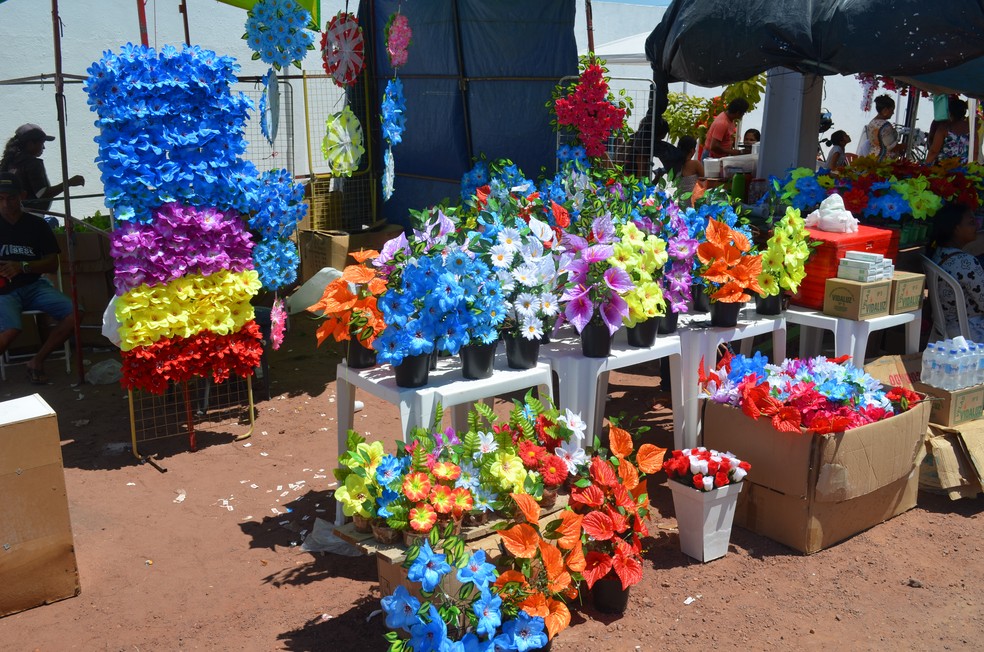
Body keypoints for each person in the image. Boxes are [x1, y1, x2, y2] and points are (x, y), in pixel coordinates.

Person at [0, 173, 77, 384]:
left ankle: (37, 361)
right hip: (3, 291)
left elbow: (52, 263)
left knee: (75, 314)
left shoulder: (37, 225)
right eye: (1, 198)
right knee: (10, 330)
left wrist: (23, 267)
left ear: (22, 196)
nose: (6, 203)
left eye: (11, 198)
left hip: (35, 285)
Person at [928, 202, 984, 340]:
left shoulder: (938, 253)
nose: (977, 226)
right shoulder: (966, 262)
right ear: (956, 228)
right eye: (971, 222)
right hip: (970, 329)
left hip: (946, 327)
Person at [0, 123, 85, 214]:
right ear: (30, 144)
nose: (43, 147)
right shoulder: (33, 163)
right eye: (42, 143)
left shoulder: (10, 161)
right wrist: (69, 183)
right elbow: (42, 194)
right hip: (31, 215)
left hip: (11, 214)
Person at [926, 97, 973, 164]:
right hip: (963, 169)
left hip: (944, 169)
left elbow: (934, 151)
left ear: (949, 112)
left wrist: (925, 167)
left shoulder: (944, 128)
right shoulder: (971, 129)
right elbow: (975, 152)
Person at [857, 94, 903, 161]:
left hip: (873, 157)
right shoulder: (885, 125)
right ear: (885, 110)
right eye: (892, 109)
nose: (893, 112)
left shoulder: (872, 123)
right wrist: (904, 146)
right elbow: (891, 147)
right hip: (884, 160)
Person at [675, 135, 704, 200]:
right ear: (692, 150)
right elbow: (706, 180)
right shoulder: (695, 164)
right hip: (695, 204)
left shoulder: (675, 165)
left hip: (682, 204)